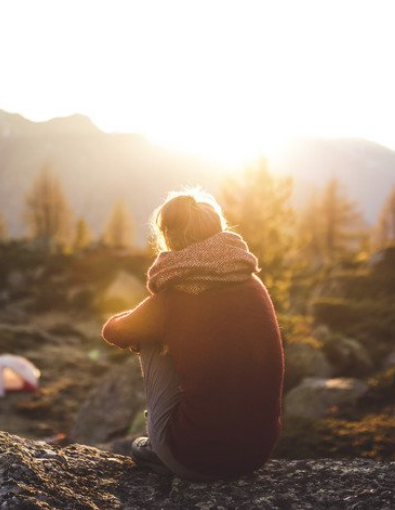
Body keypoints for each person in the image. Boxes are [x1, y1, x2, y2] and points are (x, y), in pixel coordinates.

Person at [101, 189, 284, 481]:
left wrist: (155, 323)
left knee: (148, 335)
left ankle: (160, 441)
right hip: (257, 454)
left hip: (194, 459)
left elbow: (114, 331)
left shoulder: (175, 296)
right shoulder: (252, 283)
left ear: (169, 237)